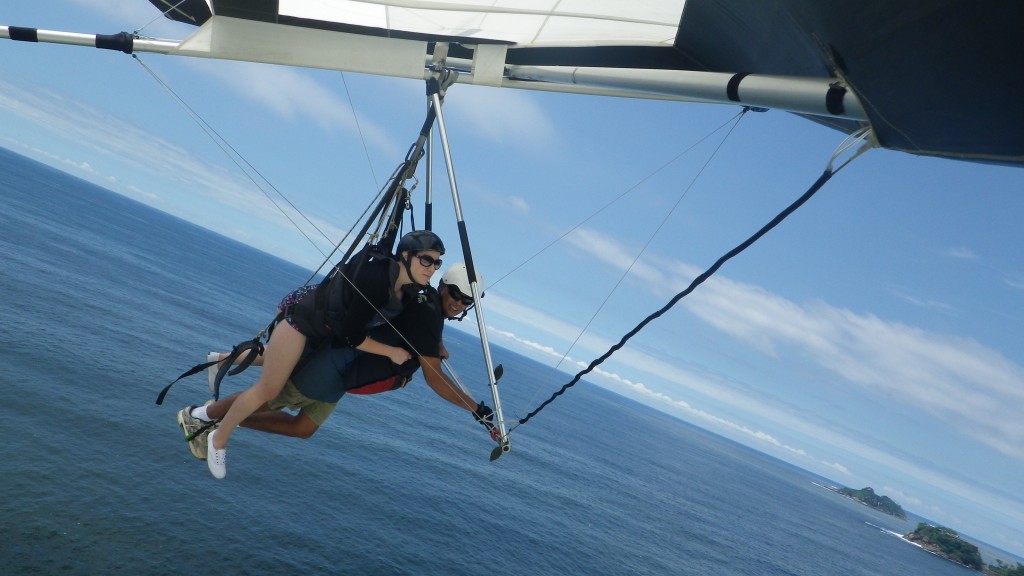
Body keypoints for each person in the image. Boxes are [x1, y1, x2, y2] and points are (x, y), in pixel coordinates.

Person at [177, 258, 497, 476]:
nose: (458, 302)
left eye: (466, 300)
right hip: (334, 367)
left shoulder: (426, 307)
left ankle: (223, 415)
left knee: (302, 428)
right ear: (443, 286)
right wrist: (474, 408)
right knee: (265, 397)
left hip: (343, 377)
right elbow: (434, 379)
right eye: (455, 293)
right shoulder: (427, 314)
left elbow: (409, 326)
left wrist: (433, 346)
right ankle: (197, 416)